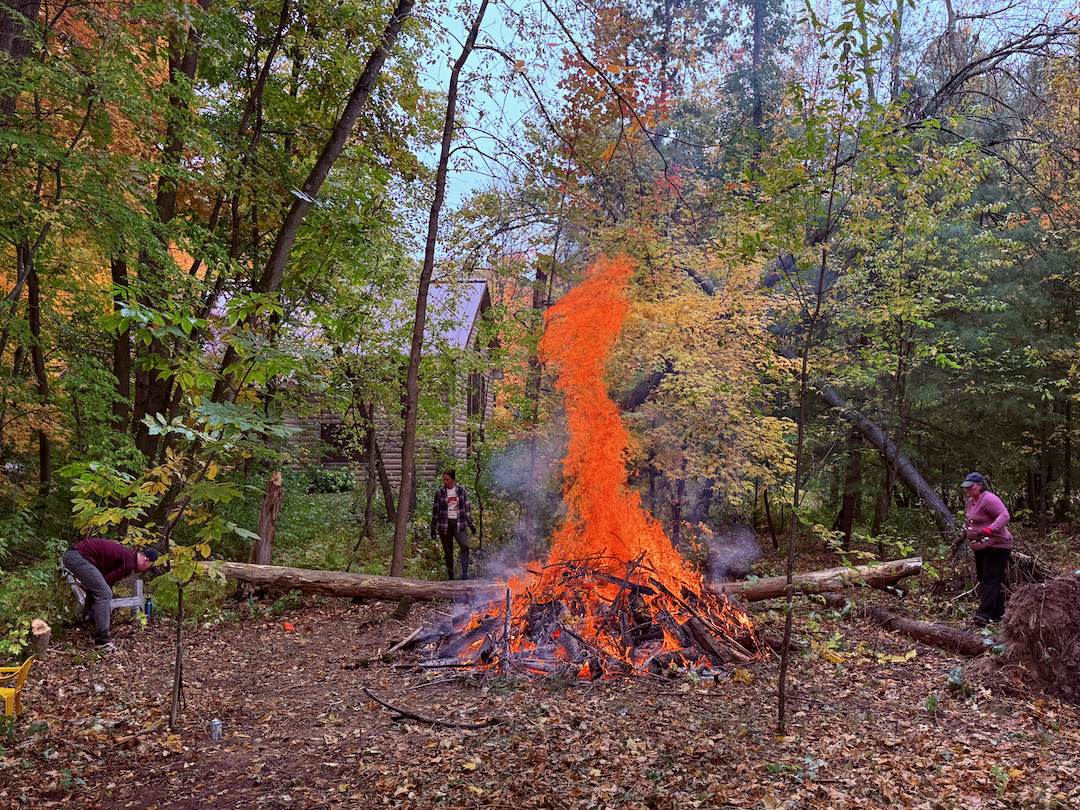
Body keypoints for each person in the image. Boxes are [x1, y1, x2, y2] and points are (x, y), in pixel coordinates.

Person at [62, 538, 160, 652]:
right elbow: (106, 587)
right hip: (78, 557)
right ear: (146, 561)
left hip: (75, 555)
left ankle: (88, 621)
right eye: (149, 568)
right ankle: (102, 642)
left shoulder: (128, 556)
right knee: (104, 594)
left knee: (102, 592)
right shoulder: (130, 562)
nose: (146, 571)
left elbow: (107, 580)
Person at [960, 472, 1012, 626]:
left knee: (990, 579)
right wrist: (963, 535)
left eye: (971, 486)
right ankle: (999, 613)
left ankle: (983, 615)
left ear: (980, 485)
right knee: (985, 579)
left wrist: (991, 528)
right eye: (967, 487)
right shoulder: (971, 502)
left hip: (998, 544)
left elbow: (1004, 515)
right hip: (981, 545)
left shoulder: (989, 499)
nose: (968, 489)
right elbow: (969, 521)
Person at [431, 469, 476, 580]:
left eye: (447, 479)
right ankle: (451, 575)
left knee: (465, 546)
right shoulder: (439, 492)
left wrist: (470, 524)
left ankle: (465, 574)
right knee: (448, 551)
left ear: (453, 479)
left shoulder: (461, 491)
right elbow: (435, 511)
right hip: (444, 524)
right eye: (444, 480)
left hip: (459, 523)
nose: (445, 482)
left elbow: (467, 509)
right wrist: (433, 528)